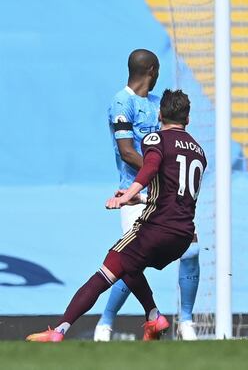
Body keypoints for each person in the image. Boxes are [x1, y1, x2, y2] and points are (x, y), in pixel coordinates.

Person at [27, 90, 206, 342]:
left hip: (155, 229)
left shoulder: (157, 139)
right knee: (130, 266)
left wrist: (126, 195)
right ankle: (154, 317)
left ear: (160, 114)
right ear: (187, 119)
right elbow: (177, 196)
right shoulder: (198, 151)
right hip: (183, 236)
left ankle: (58, 331)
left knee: (105, 271)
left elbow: (150, 167)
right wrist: (140, 198)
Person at [95, 49, 200, 341]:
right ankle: (106, 323)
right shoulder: (122, 101)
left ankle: (187, 322)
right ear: (151, 70)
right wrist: (162, 172)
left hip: (167, 197)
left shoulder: (158, 105)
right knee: (130, 262)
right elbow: (128, 152)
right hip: (135, 193)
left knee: (191, 251)